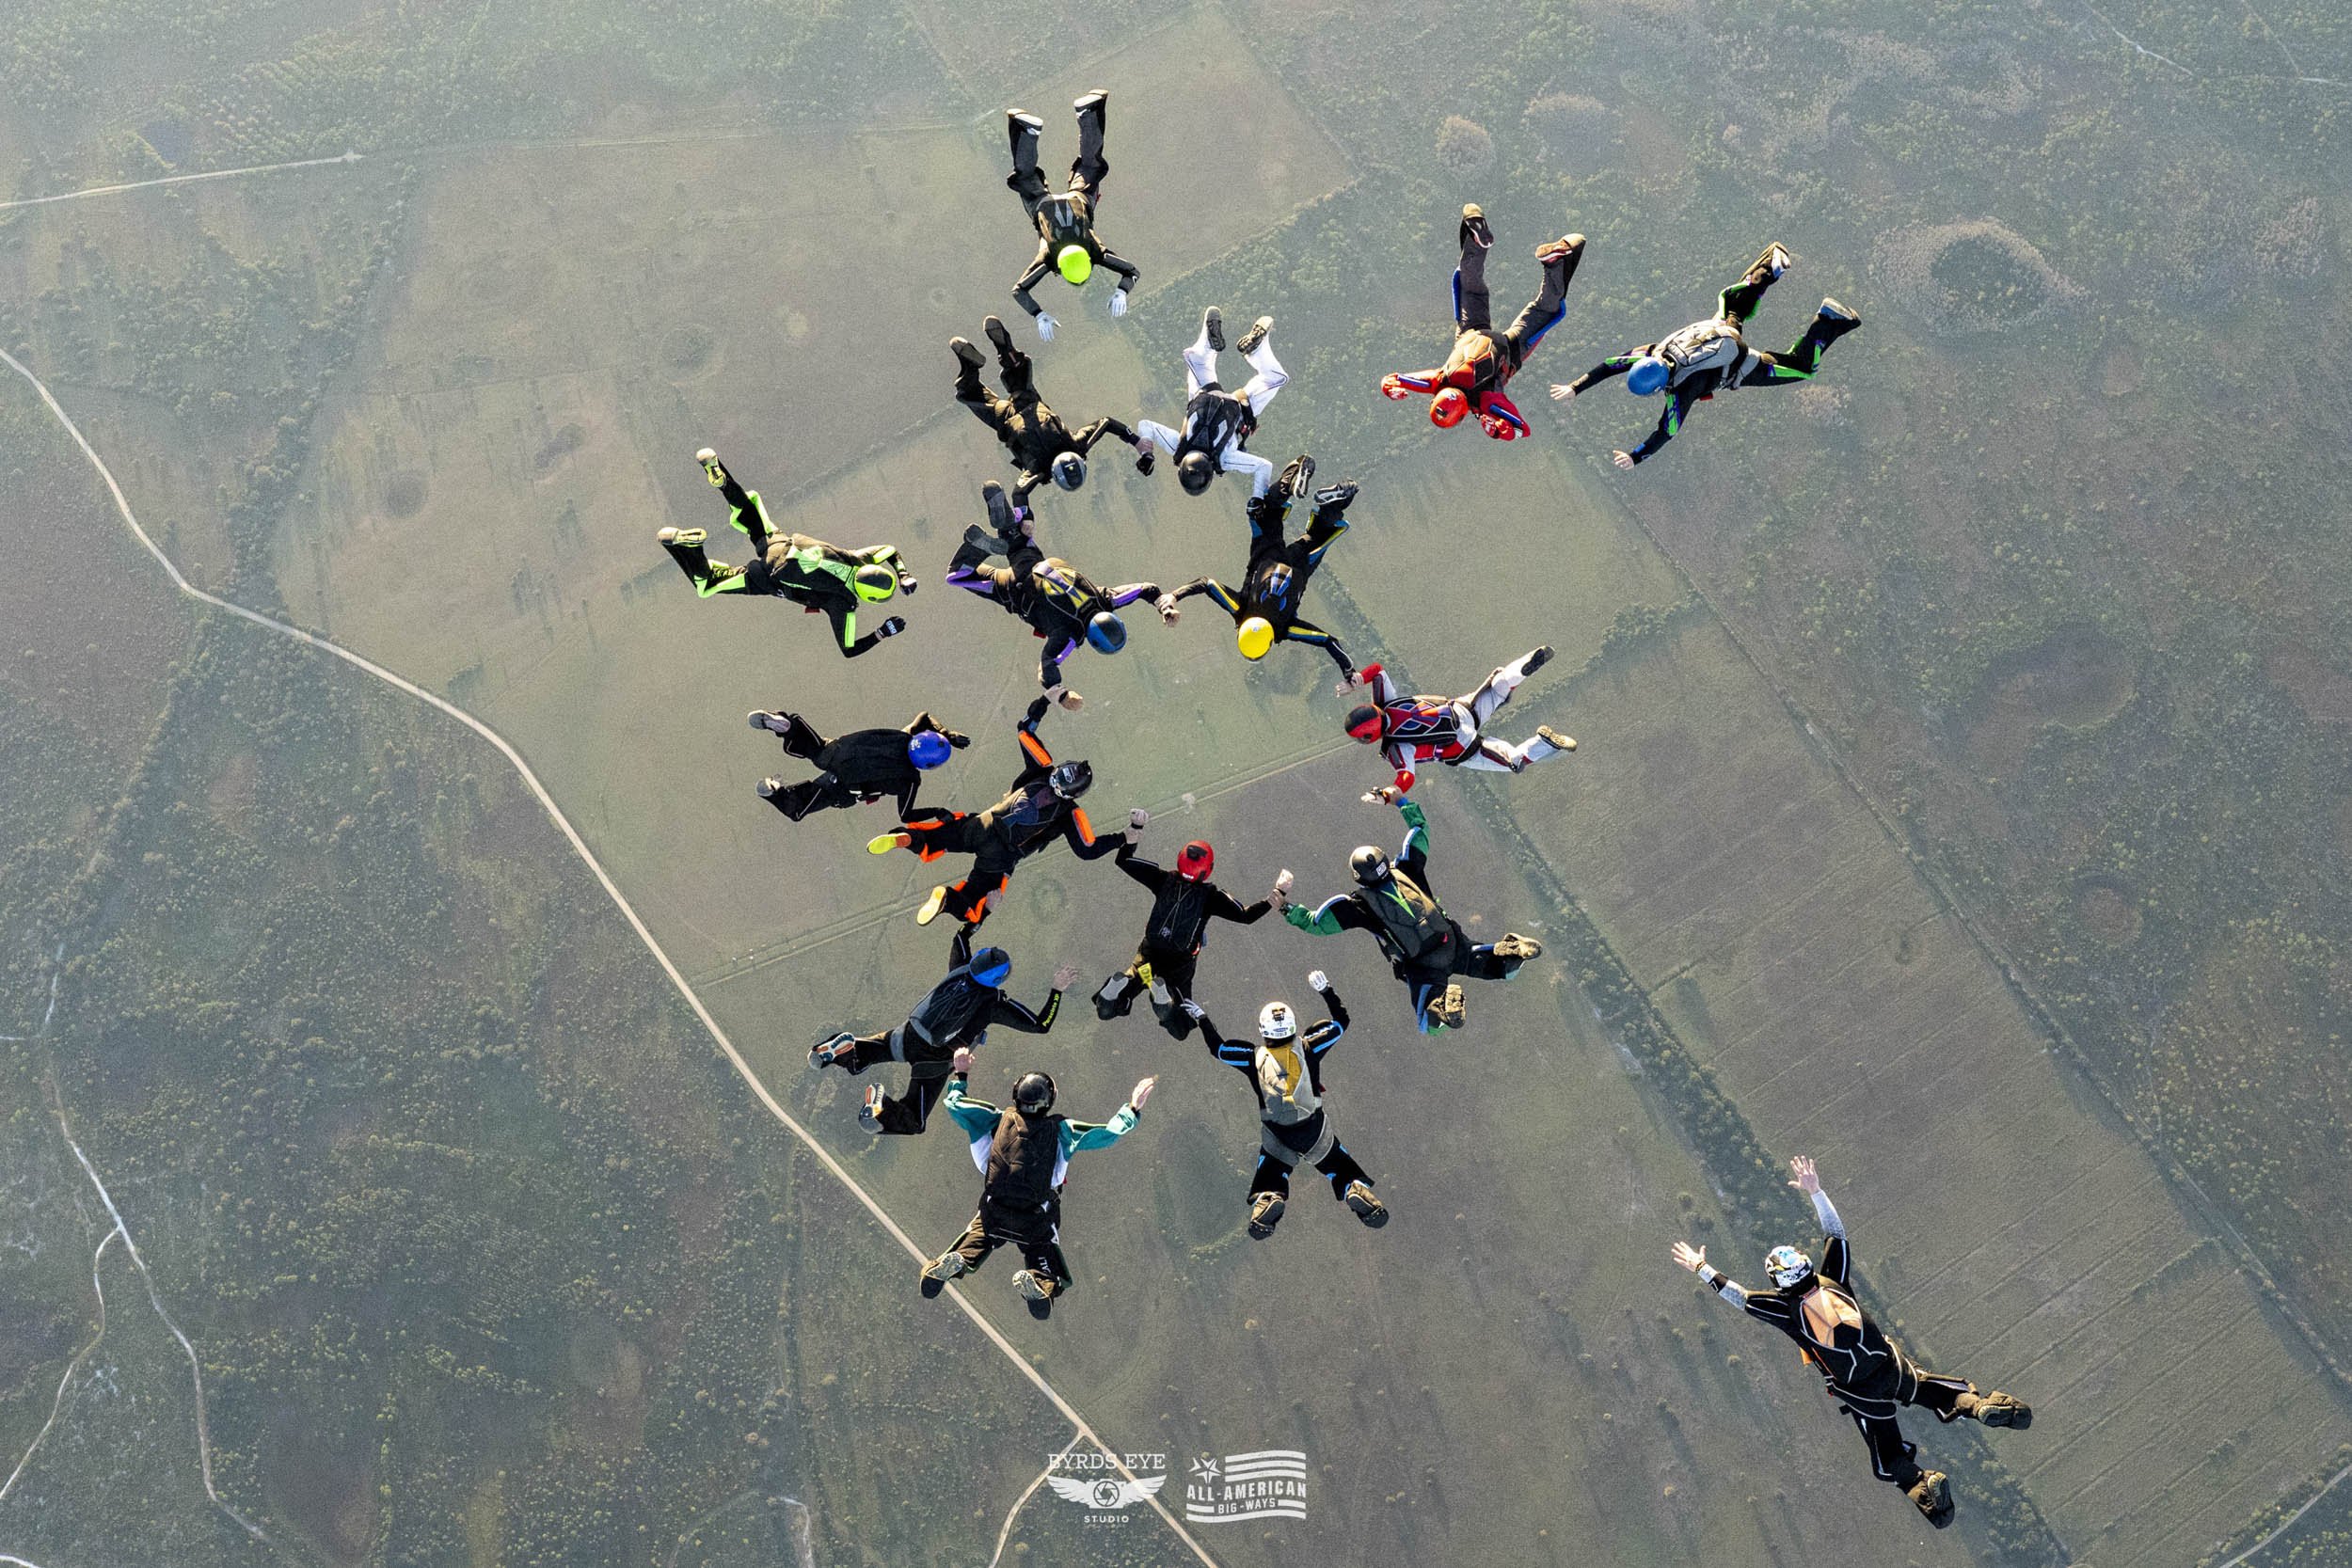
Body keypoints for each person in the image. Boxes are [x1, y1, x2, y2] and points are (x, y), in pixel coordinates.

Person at [1673, 1156, 2033, 1528]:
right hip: (1890, 1364)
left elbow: (1741, 1297)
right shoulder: (1833, 1279)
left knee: (1887, 1458)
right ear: (1805, 1264)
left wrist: (1702, 1268)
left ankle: (1925, 1486)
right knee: (1934, 1391)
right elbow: (1836, 1233)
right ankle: (1979, 1405)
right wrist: (1816, 1191)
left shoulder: (1785, 1310)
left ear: (1778, 1280)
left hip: (1861, 1391)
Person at [1549, 244, 1861, 467]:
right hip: (1718, 331)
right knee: (1735, 307)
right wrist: (1576, 387)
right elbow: (1610, 365)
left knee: (1802, 368)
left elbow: (1666, 432)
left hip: (1741, 365)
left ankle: (1829, 319)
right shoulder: (1652, 352)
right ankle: (1771, 265)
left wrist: (1636, 456)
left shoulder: (1682, 390)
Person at [1274, 792, 1542, 1033]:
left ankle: (1439, 1006)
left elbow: (1316, 923)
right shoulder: (1406, 867)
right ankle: (1508, 953)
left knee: (1429, 1022)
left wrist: (1284, 905)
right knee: (1479, 961)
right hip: (1449, 939)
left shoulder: (1358, 905)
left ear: (1358, 877)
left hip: (1421, 963)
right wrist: (1400, 800)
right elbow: (1420, 829)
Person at [867, 694, 1133, 930]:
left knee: (938, 835)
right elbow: (1088, 848)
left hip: (983, 824)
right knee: (976, 899)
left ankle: (906, 839)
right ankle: (947, 900)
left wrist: (1048, 699)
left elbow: (1024, 730)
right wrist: (1125, 836)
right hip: (1003, 855)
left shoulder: (1043, 767)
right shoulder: (1071, 813)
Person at [922, 1052, 1156, 1318]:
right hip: (1035, 1219)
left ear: (1016, 1095)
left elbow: (954, 1104)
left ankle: (958, 1260)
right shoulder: (1062, 1131)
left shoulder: (991, 1118)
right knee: (1044, 1256)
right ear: (1049, 1101)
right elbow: (1108, 1134)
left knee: (979, 1236)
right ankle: (1041, 1281)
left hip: (993, 1211)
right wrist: (1133, 1108)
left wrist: (960, 1074)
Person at [1180, 974, 1388, 1237]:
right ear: (1292, 1026)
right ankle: (1352, 1188)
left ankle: (1269, 1197)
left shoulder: (1251, 1057)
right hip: (1313, 1128)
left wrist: (1202, 1019)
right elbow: (1341, 1023)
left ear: (1262, 1028)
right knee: (1336, 1162)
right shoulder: (1310, 1046)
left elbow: (1219, 1049)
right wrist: (1326, 991)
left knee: (1271, 1169)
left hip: (1277, 1133)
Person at [656, 449, 915, 657]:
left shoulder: (861, 559)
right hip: (770, 577)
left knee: (749, 514)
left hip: (780, 545)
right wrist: (882, 632)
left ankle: (721, 478)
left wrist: (903, 575)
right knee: (707, 584)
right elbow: (849, 649)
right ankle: (691, 548)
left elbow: (890, 550)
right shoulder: (843, 604)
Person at [810, 934, 1075, 1136]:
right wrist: (1057, 990)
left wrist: (984, 908)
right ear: (998, 980)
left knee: (867, 1054)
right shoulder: (993, 1004)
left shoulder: (960, 966)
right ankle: (878, 1113)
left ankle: (840, 1050)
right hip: (935, 1059)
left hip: (911, 1032)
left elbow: (961, 934)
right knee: (914, 1119)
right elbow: (1041, 1024)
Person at [945, 481, 1171, 706]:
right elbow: (1047, 663)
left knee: (1017, 537)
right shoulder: (1070, 636)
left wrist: (1164, 606)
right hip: (1015, 588)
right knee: (957, 575)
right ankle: (980, 548)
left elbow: (1144, 589)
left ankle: (1012, 522)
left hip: (1039, 563)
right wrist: (1062, 695)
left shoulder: (1106, 600)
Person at [1383, 205, 1584, 441]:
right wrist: (1390, 388)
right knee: (1471, 284)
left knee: (1547, 309)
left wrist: (1499, 429)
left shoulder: (1486, 401)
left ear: (1460, 417)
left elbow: (1522, 430)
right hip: (1472, 331)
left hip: (1510, 348)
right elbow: (1394, 378)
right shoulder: (1437, 381)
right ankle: (1476, 242)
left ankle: (1555, 263)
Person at [1159, 454, 1359, 673]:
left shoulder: (1284, 629)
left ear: (1268, 643)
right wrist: (1174, 596)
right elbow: (1207, 584)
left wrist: (1350, 672)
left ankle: (1333, 503)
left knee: (1323, 530)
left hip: (1300, 564)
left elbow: (1327, 640)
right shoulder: (1240, 610)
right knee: (1267, 508)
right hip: (1266, 551)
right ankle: (1290, 484)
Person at [1093, 828, 1271, 1039]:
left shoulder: (1163, 879)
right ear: (1208, 870)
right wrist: (1274, 897)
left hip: (1150, 950)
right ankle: (1165, 999)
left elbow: (1123, 860)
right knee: (1181, 1027)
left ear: (1180, 859)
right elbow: (1246, 915)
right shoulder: (1211, 897)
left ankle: (1117, 991)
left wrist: (1132, 837)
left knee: (1119, 999)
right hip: (1179, 963)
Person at [952, 314, 1148, 503]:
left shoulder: (1077, 445)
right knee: (969, 394)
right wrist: (1025, 517)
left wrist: (1136, 441)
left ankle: (1006, 350)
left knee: (1017, 370)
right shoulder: (1038, 470)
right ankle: (969, 367)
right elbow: (1019, 493)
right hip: (1003, 417)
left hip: (1028, 401)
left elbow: (1106, 423)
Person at [1340, 650, 1575, 793]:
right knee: (1498, 689)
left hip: (1462, 747)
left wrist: (1390, 792)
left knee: (1514, 761)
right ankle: (1519, 671)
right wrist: (1359, 679)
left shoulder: (1396, 747)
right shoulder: (1385, 701)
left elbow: (1406, 776)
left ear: (1369, 737)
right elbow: (1378, 671)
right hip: (1459, 710)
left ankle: (1544, 743)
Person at [1006, 90, 1138, 340]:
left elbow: (1132, 272)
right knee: (1025, 176)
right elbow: (1019, 291)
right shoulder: (1048, 257)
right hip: (1042, 204)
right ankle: (1026, 130)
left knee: (1091, 165)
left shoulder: (1094, 251)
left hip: (1080, 198)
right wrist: (1038, 314)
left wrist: (1122, 291)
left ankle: (1089, 111)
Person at [1135, 308, 1288, 498]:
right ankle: (1209, 341)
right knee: (1199, 361)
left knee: (1274, 379)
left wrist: (1257, 499)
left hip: (1238, 407)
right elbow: (1145, 425)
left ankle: (1257, 351)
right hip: (1205, 392)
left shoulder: (1224, 460)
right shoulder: (1177, 447)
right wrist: (1146, 453)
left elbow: (1264, 466)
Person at [745, 708, 968, 821]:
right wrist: (939, 812)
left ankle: (789, 726)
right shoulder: (909, 781)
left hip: (839, 751)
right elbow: (906, 815)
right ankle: (774, 792)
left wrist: (947, 734)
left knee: (814, 746)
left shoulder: (905, 736)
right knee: (797, 809)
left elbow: (925, 717)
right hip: (844, 784)